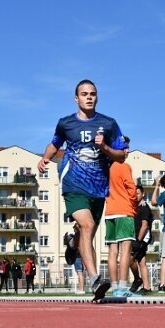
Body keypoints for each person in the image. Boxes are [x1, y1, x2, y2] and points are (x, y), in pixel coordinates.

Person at [37, 79, 129, 301]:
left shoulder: (109, 124)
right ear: (76, 98)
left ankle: (72, 242)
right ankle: (95, 279)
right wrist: (45, 158)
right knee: (87, 225)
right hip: (73, 183)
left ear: (97, 97)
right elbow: (55, 143)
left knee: (87, 233)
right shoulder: (65, 123)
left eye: (93, 94)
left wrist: (104, 147)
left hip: (98, 187)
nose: (89, 97)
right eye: (84, 93)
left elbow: (122, 155)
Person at [105, 137, 139, 297]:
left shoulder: (106, 168)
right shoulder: (123, 166)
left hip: (110, 212)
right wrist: (134, 204)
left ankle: (114, 287)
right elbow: (131, 189)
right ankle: (123, 288)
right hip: (124, 211)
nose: (127, 151)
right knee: (125, 250)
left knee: (112, 251)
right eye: (125, 148)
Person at [129, 185, 153, 294]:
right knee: (141, 262)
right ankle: (147, 287)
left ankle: (138, 279)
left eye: (137, 193)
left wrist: (138, 241)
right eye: (134, 194)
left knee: (130, 259)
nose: (135, 195)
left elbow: (144, 225)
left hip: (142, 239)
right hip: (136, 238)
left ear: (142, 194)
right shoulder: (135, 206)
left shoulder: (144, 207)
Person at [64, 225, 86, 294]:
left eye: (74, 228)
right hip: (79, 256)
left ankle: (81, 289)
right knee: (80, 273)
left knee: (80, 273)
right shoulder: (82, 236)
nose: (73, 230)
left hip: (78, 257)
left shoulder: (77, 237)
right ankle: (81, 288)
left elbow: (75, 247)